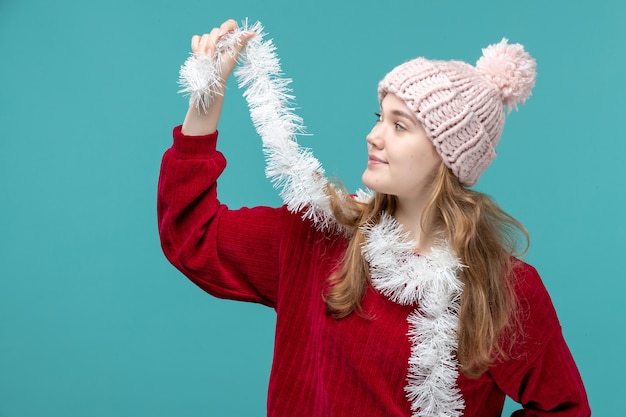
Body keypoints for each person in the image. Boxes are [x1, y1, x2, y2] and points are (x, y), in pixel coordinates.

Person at [158, 19, 591, 417]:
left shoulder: (503, 288)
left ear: (447, 158)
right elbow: (192, 236)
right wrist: (205, 101)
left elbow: (565, 408)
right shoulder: (318, 235)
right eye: (379, 117)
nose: (373, 135)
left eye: (400, 125)